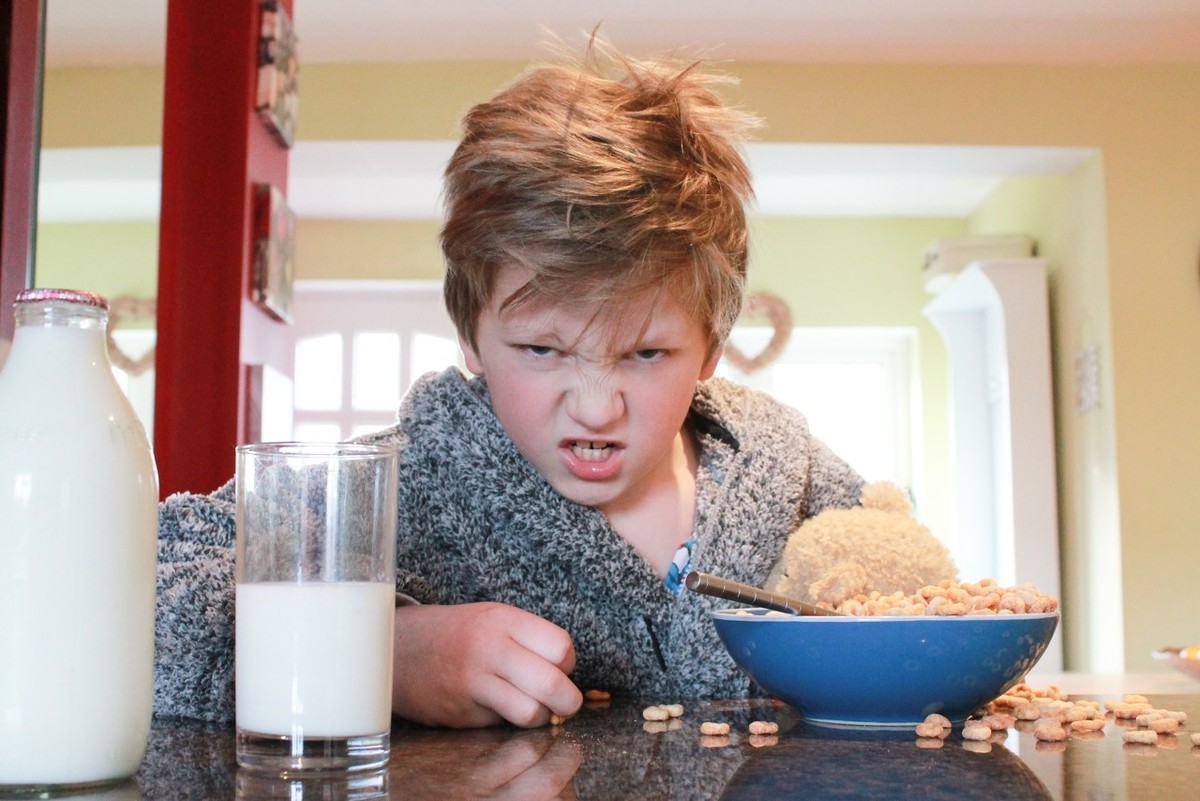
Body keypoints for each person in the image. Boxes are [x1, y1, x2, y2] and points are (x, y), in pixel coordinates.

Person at [153, 39, 863, 729]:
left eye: (646, 353)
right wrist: (383, 651)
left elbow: (926, 596)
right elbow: (130, 595)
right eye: (541, 348)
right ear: (470, 336)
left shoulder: (785, 470)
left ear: (711, 345)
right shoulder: (410, 482)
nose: (595, 406)